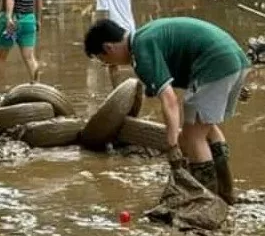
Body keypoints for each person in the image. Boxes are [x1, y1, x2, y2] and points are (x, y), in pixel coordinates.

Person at [83, 17, 249, 204]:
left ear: (108, 48)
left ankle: (206, 203)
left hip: (217, 64)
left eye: (102, 59)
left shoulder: (141, 51)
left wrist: (171, 144)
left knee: (192, 137)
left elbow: (169, 100)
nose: (107, 64)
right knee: (205, 127)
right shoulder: (145, 36)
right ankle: (226, 194)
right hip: (234, 59)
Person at [94, 0, 136, 88]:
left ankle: (118, 94)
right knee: (134, 61)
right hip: (130, 29)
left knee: (112, 66)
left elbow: (103, 13)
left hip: (114, 32)